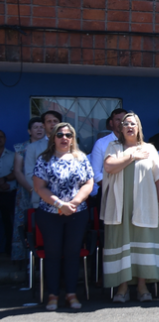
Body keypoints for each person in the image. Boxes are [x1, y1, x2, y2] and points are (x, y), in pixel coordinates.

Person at [100, 113, 159, 302]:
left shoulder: (149, 148)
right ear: (120, 128)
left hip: (144, 204)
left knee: (141, 240)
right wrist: (132, 156)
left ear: (139, 128)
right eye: (126, 123)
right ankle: (122, 288)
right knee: (122, 241)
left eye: (133, 124)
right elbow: (109, 167)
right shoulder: (114, 147)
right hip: (119, 205)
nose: (129, 126)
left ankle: (143, 286)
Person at [32, 123, 94, 310]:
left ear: (73, 138)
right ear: (53, 138)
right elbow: (39, 187)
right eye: (60, 134)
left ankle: (71, 294)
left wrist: (73, 204)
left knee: (72, 254)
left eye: (68, 135)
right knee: (53, 254)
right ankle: (52, 295)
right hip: (50, 214)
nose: (64, 138)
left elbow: (88, 183)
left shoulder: (81, 158)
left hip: (76, 213)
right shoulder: (44, 159)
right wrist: (60, 205)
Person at [12, 111, 62, 264]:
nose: (52, 124)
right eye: (48, 121)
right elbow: (28, 173)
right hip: (40, 199)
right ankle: (41, 274)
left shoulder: (70, 144)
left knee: (61, 242)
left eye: (55, 121)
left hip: (64, 202)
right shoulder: (32, 147)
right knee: (42, 240)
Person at [88, 108, 127, 202]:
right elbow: (96, 173)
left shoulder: (136, 144)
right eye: (118, 120)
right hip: (108, 192)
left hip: (131, 193)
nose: (121, 123)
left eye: (124, 120)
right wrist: (113, 187)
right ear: (111, 122)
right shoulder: (101, 143)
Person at [0, 130, 16, 254]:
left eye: (1, 137)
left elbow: (16, 172)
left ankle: (9, 251)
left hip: (9, 195)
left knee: (9, 223)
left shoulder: (12, 155)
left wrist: (4, 179)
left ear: (5, 139)